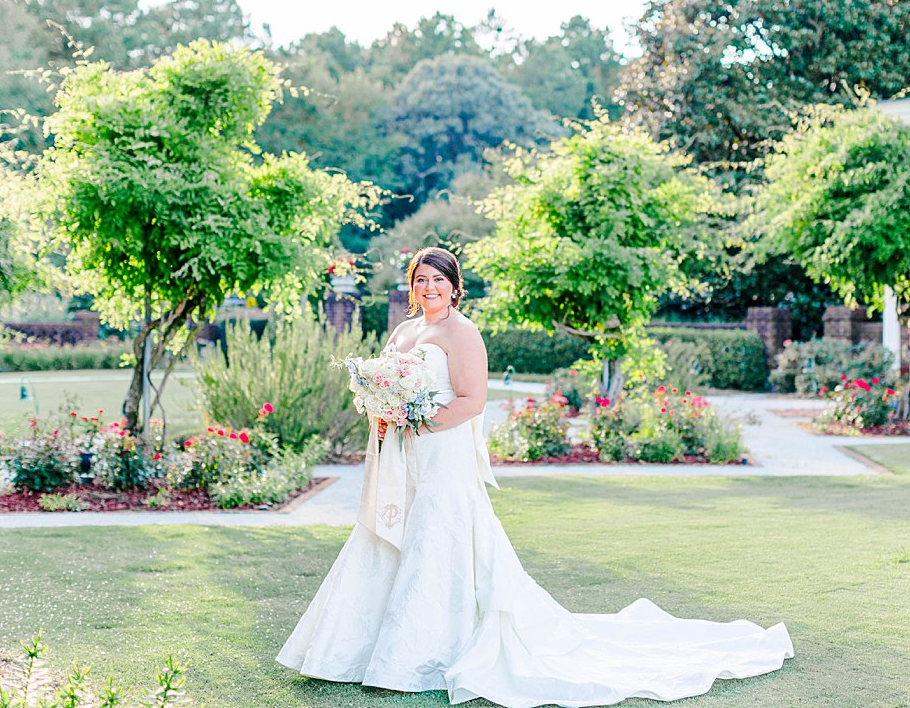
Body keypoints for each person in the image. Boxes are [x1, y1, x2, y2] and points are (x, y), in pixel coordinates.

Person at [277, 247, 793, 706]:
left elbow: (472, 400)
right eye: (420, 280)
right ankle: (361, 647)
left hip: (442, 453)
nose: (429, 288)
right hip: (401, 454)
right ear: (411, 286)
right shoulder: (404, 331)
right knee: (390, 533)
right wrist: (382, 409)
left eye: (438, 280)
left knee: (438, 536)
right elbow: (388, 387)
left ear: (456, 287)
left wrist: (418, 419)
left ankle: (421, 652)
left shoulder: (462, 332)